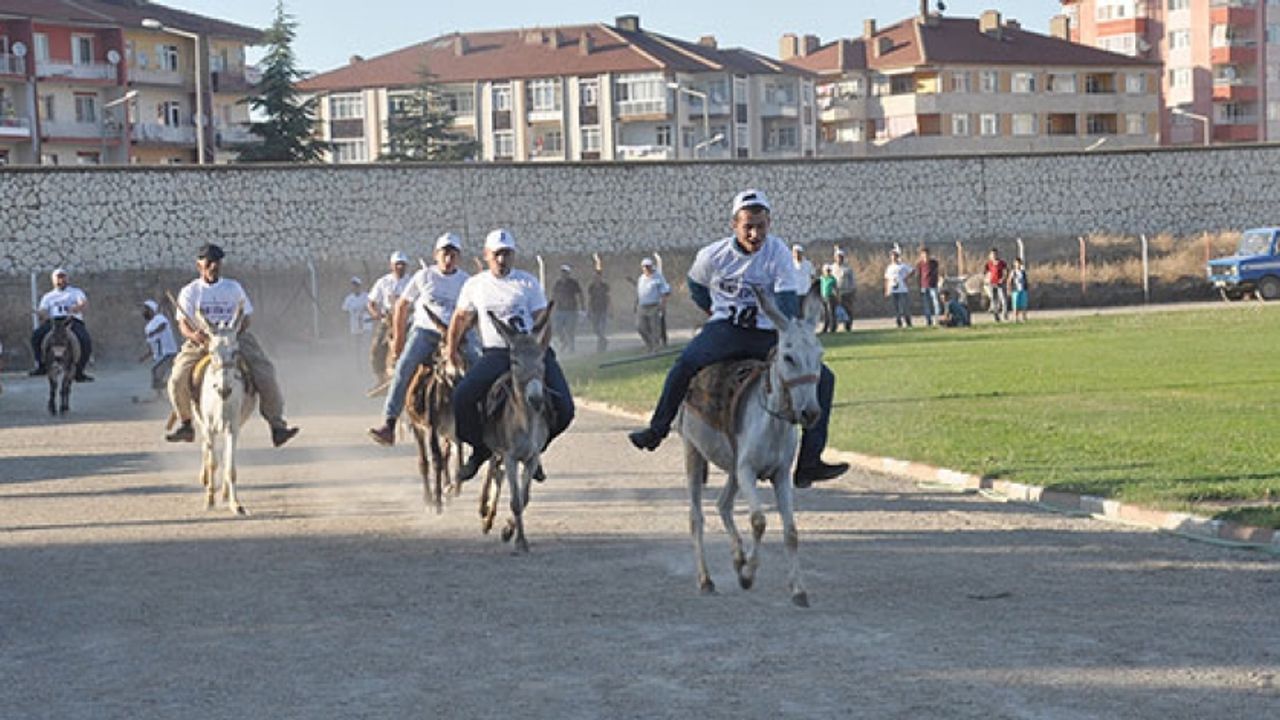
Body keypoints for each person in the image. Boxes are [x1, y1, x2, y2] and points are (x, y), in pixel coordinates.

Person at [626, 189, 848, 487]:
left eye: (761, 225)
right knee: (684, 365)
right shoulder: (712, 255)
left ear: (770, 223)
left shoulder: (779, 252)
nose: (755, 233)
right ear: (734, 225)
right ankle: (657, 429)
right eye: (748, 226)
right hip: (726, 331)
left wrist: (786, 328)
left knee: (824, 378)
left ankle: (809, 462)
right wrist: (714, 310)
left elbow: (785, 298)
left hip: (766, 332)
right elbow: (696, 286)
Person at [446, 229, 575, 480]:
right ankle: (479, 449)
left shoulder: (527, 283)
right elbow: (460, 318)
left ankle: (535, 450)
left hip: (531, 353)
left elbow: (542, 321)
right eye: (497, 254)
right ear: (486, 255)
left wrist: (538, 353)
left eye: (507, 254)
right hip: (497, 354)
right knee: (462, 398)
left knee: (566, 408)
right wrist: (451, 350)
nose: (502, 260)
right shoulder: (475, 285)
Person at [164, 243, 299, 447]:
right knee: (176, 378)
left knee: (265, 372)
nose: (213, 267)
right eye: (208, 262)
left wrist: (235, 331)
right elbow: (183, 323)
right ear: (199, 265)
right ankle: (186, 424)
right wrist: (194, 335)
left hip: (234, 337)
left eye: (216, 262)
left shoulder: (233, 287)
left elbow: (246, 317)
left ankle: (277, 425)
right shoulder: (190, 291)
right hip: (202, 340)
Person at [369, 233, 472, 446]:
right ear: (436, 255)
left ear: (459, 257)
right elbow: (402, 306)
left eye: (453, 254)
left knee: (479, 363)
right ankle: (389, 422)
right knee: (405, 366)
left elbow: (473, 311)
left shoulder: (466, 281)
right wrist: (398, 341)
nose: (448, 258)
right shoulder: (423, 276)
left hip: (457, 334)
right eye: (444, 253)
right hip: (426, 332)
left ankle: (484, 422)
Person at [29, 268, 94, 382]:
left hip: (72, 321)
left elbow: (83, 304)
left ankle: (79, 372)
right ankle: (42, 365)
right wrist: (41, 313)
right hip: (54, 321)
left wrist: (76, 308)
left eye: (63, 277)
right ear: (53, 280)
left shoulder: (75, 292)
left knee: (85, 340)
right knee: (36, 336)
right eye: (58, 278)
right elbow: (44, 310)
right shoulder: (48, 296)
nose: (61, 280)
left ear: (67, 278)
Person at [367, 251, 412, 387]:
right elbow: (371, 302)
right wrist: (375, 313)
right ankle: (381, 378)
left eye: (402, 264)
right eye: (397, 264)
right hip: (388, 320)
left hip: (408, 321)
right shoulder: (383, 282)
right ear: (391, 266)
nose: (400, 267)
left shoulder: (412, 281)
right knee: (377, 348)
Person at [137, 300, 177, 402]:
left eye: (146, 309)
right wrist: (144, 357)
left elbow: (163, 325)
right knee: (156, 373)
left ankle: (170, 388)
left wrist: (154, 332)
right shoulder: (147, 327)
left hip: (168, 352)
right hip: (160, 355)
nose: (143, 312)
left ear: (151, 310)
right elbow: (152, 346)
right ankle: (163, 394)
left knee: (156, 372)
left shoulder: (159, 318)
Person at [635, 257, 671, 353]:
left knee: (655, 328)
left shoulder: (658, 277)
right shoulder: (641, 278)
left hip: (654, 306)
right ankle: (649, 344)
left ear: (651, 267)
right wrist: (636, 305)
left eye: (648, 266)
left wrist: (663, 305)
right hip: (642, 306)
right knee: (640, 327)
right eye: (644, 267)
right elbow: (640, 293)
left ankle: (655, 348)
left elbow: (665, 291)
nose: (646, 268)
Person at [550, 264, 583, 354]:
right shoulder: (558, 283)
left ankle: (571, 348)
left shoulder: (573, 283)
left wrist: (582, 306)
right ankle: (564, 341)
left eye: (565, 272)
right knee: (558, 328)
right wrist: (551, 306)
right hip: (560, 309)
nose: (563, 274)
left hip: (571, 310)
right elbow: (554, 295)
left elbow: (579, 295)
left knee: (570, 330)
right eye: (562, 272)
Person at [341, 277, 371, 367]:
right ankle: (358, 365)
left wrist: (365, 310)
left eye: (357, 285)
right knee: (356, 348)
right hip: (355, 327)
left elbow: (372, 308)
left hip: (366, 326)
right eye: (353, 286)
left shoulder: (367, 296)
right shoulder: (349, 299)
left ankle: (367, 364)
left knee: (366, 347)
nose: (355, 288)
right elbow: (344, 310)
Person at [827, 249, 856, 331]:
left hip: (846, 292)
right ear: (835, 258)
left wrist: (852, 290)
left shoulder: (848, 268)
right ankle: (833, 327)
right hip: (834, 293)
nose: (839, 259)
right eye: (837, 257)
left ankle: (848, 326)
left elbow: (852, 281)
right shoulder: (831, 268)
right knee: (833, 311)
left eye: (841, 257)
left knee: (848, 310)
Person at [884, 248, 914, 328]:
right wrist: (887, 289)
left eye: (895, 256)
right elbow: (887, 279)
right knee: (895, 307)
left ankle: (908, 321)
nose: (893, 258)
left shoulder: (902, 266)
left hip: (902, 289)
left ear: (897, 257)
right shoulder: (889, 267)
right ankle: (898, 321)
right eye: (892, 256)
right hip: (893, 290)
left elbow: (912, 271)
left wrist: (906, 278)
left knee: (904, 307)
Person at [916, 246, 941, 327]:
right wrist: (919, 286)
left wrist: (937, 282)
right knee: (926, 304)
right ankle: (928, 320)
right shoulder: (920, 264)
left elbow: (937, 273)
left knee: (936, 302)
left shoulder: (934, 263)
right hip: (924, 286)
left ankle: (937, 319)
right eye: (923, 255)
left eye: (926, 254)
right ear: (921, 255)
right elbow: (919, 276)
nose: (925, 256)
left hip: (933, 285)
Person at [587, 268, 610, 354]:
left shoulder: (605, 286)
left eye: (598, 276)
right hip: (594, 309)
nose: (596, 278)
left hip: (603, 309)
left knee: (602, 328)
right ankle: (603, 340)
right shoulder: (591, 287)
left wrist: (611, 309)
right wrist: (589, 309)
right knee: (595, 328)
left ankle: (601, 346)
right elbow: (590, 299)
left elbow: (608, 298)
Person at [984, 247, 1009, 322]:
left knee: (1003, 299)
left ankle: (1004, 313)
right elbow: (986, 273)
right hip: (992, 283)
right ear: (990, 255)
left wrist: (1003, 279)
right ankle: (996, 316)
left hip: (1000, 284)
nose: (994, 256)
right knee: (994, 300)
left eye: (995, 254)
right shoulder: (989, 264)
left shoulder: (1002, 263)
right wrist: (986, 280)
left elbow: (1006, 271)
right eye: (992, 254)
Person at [1007, 256, 1029, 323]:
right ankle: (1016, 318)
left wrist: (1026, 287)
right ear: (1014, 264)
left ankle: (1024, 317)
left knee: (1023, 304)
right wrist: (1009, 288)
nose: (1018, 264)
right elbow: (1009, 281)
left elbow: (1025, 280)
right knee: (1015, 305)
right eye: (1016, 263)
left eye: (1019, 263)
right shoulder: (1013, 272)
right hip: (1015, 290)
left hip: (1023, 290)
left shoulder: (1023, 272)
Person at [819, 265, 838, 334]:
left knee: (831, 312)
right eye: (826, 270)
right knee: (825, 313)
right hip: (823, 297)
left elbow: (836, 289)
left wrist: (837, 296)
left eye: (829, 270)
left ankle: (833, 328)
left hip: (830, 297)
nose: (828, 272)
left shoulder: (832, 279)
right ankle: (825, 328)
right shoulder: (822, 278)